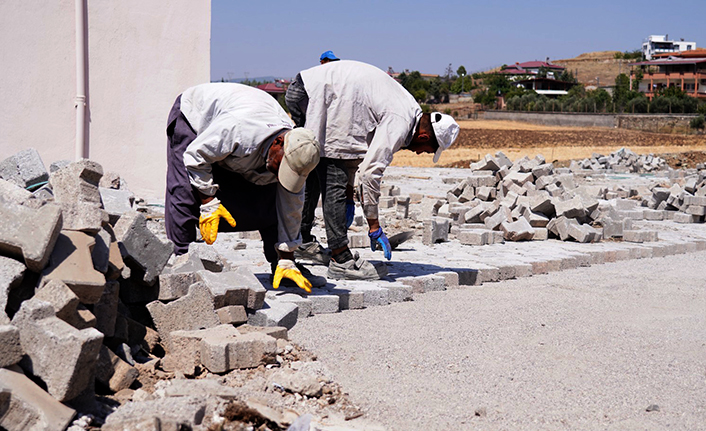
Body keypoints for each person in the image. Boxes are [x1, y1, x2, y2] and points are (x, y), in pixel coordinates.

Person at [286, 60, 460, 280]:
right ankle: (340, 259)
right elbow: (369, 173)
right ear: (424, 137)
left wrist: (350, 196)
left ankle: (301, 239)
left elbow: (354, 153)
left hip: (309, 87)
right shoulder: (400, 121)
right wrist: (374, 225)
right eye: (427, 150)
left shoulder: (409, 109)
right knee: (333, 176)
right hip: (315, 94)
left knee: (315, 165)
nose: (421, 154)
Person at [165, 82, 323, 292]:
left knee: (270, 194)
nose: (280, 174)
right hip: (194, 117)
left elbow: (291, 209)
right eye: (280, 166)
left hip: (243, 126)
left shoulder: (298, 156)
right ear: (277, 143)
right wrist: (208, 200)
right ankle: (182, 264)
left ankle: (281, 267)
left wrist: (288, 256)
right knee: (185, 189)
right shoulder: (237, 129)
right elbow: (195, 157)